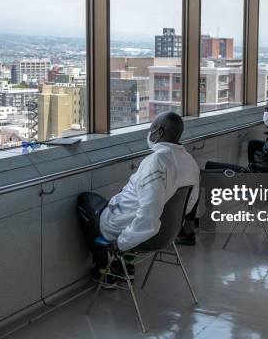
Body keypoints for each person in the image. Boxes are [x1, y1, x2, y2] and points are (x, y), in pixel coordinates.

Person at [78, 111, 200, 288]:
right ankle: (124, 265)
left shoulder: (156, 162)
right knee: (133, 213)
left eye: (151, 128)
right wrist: (169, 221)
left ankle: (106, 271)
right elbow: (189, 204)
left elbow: (148, 217)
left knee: (86, 201)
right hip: (169, 232)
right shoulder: (189, 161)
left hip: (144, 233)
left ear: (159, 131)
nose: (149, 132)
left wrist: (121, 244)